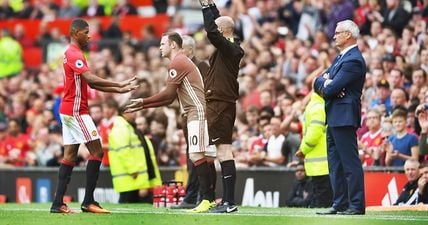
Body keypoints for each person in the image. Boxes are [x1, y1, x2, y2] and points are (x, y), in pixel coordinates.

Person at [50, 18, 138, 214]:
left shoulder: (72, 53)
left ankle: (57, 203)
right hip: (76, 110)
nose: (89, 36)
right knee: (97, 152)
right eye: (86, 32)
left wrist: (120, 87)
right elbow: (90, 78)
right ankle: (88, 201)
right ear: (75, 33)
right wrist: (118, 84)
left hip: (68, 109)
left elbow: (90, 84)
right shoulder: (74, 53)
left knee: (70, 156)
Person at [125, 31, 215, 213]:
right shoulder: (183, 61)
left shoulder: (178, 62)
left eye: (162, 43)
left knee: (197, 156)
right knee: (206, 157)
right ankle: (210, 199)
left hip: (196, 112)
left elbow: (167, 95)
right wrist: (145, 105)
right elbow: (168, 99)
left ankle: (206, 199)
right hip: (199, 111)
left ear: (173, 45)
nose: (159, 47)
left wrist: (143, 102)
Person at [314, 20, 366, 215]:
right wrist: (326, 83)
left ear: (348, 35)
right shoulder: (340, 58)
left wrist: (329, 85)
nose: (334, 36)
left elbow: (331, 88)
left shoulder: (353, 59)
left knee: (349, 162)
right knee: (335, 164)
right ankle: (340, 204)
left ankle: (356, 205)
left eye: (337, 33)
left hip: (344, 116)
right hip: (335, 115)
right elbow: (318, 81)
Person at [198, 0, 244, 213]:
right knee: (222, 149)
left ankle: (228, 202)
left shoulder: (230, 48)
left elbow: (211, 32)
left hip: (219, 102)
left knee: (224, 150)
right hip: (221, 102)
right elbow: (217, 29)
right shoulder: (231, 47)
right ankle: (227, 201)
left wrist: (205, 9)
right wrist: (211, 4)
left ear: (224, 30)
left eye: (218, 27)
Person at [171, 35, 210, 209]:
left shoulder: (201, 66)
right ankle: (195, 195)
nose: (178, 52)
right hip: (188, 117)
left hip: (198, 116)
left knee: (198, 156)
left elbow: (207, 92)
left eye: (181, 48)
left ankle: (197, 196)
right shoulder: (182, 65)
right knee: (192, 157)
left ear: (190, 50)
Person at [108, 107, 162, 203]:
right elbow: (123, 151)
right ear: (124, 113)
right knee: (127, 204)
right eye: (132, 112)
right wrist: (132, 169)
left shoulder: (130, 128)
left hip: (134, 179)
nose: (135, 114)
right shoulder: (122, 128)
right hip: (130, 177)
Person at [295, 91, 332, 208]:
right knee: (323, 204)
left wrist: (303, 149)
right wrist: (303, 150)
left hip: (317, 164)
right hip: (322, 165)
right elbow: (313, 135)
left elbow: (312, 135)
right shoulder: (319, 107)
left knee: (320, 204)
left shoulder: (313, 106)